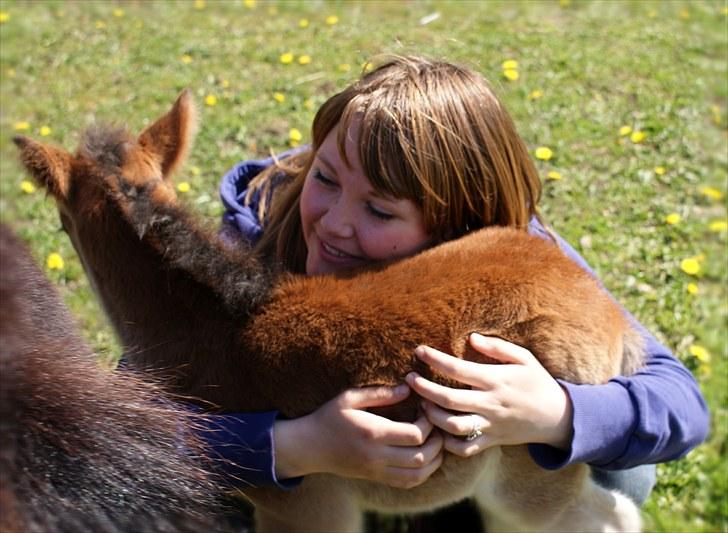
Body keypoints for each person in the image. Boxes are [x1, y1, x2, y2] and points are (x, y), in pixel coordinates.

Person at [202, 56, 708, 512]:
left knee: (626, 473)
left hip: (447, 481)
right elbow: (141, 424)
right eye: (326, 177)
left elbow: (678, 402)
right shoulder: (249, 245)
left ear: (456, 228)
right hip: (310, 486)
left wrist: (554, 415)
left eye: (379, 210)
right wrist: (297, 446)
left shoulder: (510, 248)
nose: (334, 222)